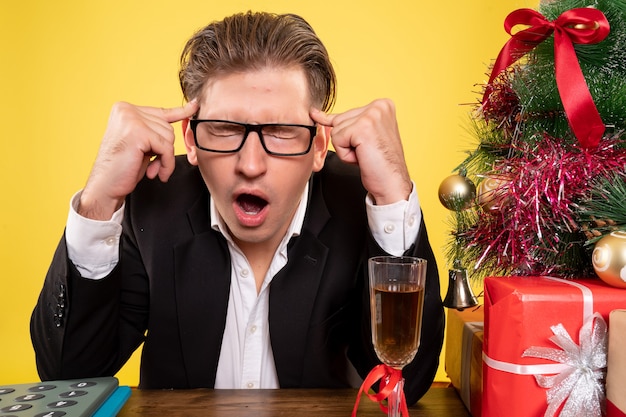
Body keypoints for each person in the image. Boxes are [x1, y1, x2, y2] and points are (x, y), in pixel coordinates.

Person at [30, 11, 444, 405]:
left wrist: (393, 197)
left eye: (281, 131)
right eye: (225, 129)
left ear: (319, 146)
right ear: (190, 140)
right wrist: (100, 199)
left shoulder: (361, 205)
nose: (250, 165)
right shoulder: (151, 203)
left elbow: (408, 384)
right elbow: (70, 377)